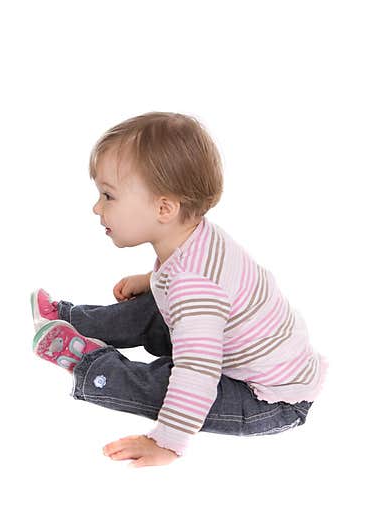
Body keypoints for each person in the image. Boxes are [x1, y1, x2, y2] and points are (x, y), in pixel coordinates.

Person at [31, 112, 326, 467]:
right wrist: (151, 280)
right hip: (231, 344)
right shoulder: (195, 241)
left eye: (108, 196)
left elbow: (197, 373)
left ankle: (90, 364)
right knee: (151, 307)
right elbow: (195, 284)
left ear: (164, 208)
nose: (97, 207)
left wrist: (167, 443)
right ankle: (76, 320)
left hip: (267, 401)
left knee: (169, 382)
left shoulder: (195, 288)